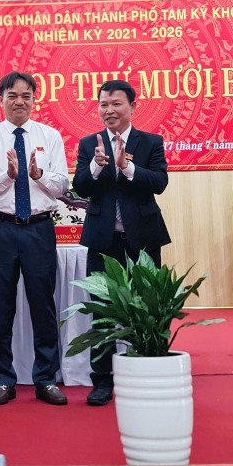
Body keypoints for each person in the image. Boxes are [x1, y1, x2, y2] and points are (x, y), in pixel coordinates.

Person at [0, 71, 69, 407]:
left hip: (39, 228)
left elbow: (62, 186)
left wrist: (38, 175)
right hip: (1, 228)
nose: (19, 102)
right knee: (1, 305)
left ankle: (46, 379)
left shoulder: (50, 136)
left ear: (34, 99)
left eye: (26, 96)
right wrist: (7, 176)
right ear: (0, 99)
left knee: (43, 304)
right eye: (12, 95)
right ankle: (2, 379)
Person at [72, 79, 171, 406]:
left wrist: (126, 166)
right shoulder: (90, 144)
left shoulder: (150, 142)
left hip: (142, 240)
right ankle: (102, 381)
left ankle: (148, 370)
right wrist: (97, 167)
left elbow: (159, 183)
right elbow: (81, 188)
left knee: (148, 308)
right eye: (103, 104)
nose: (109, 110)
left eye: (116, 103)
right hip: (103, 242)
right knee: (101, 312)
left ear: (132, 106)